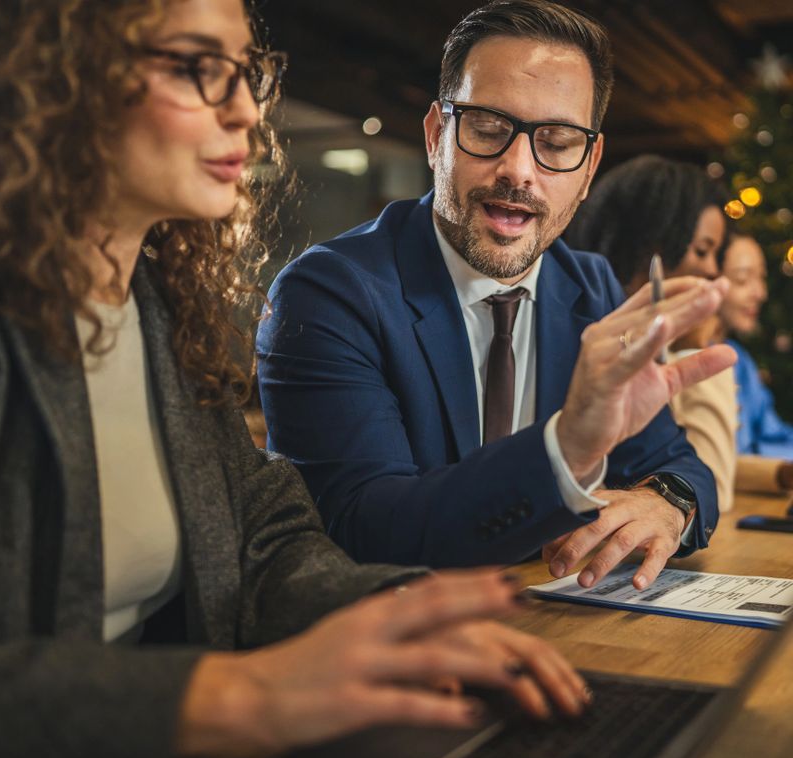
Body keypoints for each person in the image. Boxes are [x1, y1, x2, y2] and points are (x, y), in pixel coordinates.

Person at [0, 0, 594, 758]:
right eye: (196, 67)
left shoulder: (158, 305)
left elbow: (264, 536)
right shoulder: (332, 288)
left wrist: (399, 617)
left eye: (245, 73)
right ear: (54, 75)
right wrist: (237, 695)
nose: (246, 109)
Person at [257, 0, 734, 590]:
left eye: (557, 143)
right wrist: (564, 452)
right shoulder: (329, 293)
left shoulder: (593, 288)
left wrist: (667, 504)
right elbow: (362, 527)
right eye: (487, 128)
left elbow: (680, 465)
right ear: (437, 136)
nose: (519, 170)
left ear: (588, 169)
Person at [564, 155, 739, 511]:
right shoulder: (594, 346)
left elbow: (690, 468)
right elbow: (717, 488)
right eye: (702, 251)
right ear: (650, 247)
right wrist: (695, 343)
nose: (711, 270)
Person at [720, 235, 793, 492]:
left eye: (761, 277)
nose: (760, 293)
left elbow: (773, 435)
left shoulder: (739, 360)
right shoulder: (675, 361)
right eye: (742, 279)